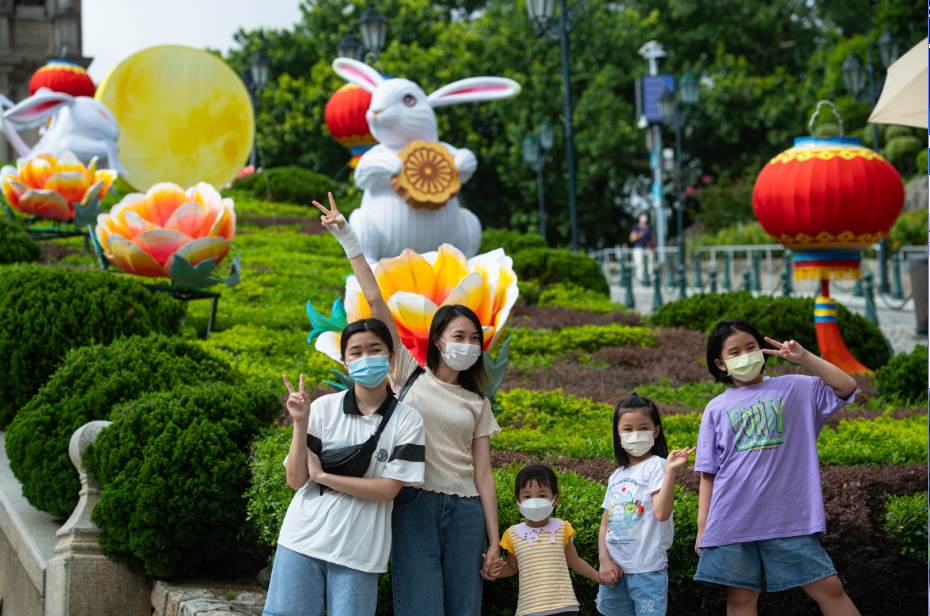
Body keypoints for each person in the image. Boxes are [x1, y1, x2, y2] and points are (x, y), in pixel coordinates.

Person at [314, 193, 505, 616]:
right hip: (414, 505)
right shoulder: (407, 371)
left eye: (475, 339)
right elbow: (377, 302)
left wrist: (495, 540)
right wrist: (347, 238)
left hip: (467, 513)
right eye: (459, 337)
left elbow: (485, 473)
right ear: (437, 340)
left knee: (464, 609)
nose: (469, 345)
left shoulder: (478, 402)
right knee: (420, 607)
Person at [693, 318, 860, 616]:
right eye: (735, 352)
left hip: (787, 515)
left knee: (830, 588)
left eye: (751, 347)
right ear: (720, 364)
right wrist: (703, 528)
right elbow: (709, 472)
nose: (745, 355)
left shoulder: (796, 387)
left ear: (762, 350)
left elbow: (846, 386)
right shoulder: (715, 408)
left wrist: (804, 358)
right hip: (730, 518)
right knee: (741, 600)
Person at [263, 318, 426, 616]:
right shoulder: (324, 408)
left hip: (359, 553)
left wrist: (324, 476)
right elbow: (296, 480)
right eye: (356, 352)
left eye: (375, 349)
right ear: (345, 361)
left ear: (391, 357)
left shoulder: (408, 420)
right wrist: (300, 423)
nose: (366, 358)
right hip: (302, 541)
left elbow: (388, 490)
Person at [596, 394, 695, 616]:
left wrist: (670, 471)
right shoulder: (615, 475)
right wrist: (604, 560)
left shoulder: (657, 466)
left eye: (643, 428)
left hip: (647, 570)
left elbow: (661, 513)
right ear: (618, 434)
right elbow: (605, 525)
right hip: (614, 569)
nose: (635, 434)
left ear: (656, 431)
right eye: (628, 429)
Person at [496, 465, 608, 616]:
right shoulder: (512, 534)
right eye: (527, 496)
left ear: (555, 498)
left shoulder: (562, 528)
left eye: (542, 495)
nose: (534, 501)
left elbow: (576, 562)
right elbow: (511, 567)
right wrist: (490, 571)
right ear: (518, 500)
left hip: (564, 607)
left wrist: (601, 578)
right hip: (529, 610)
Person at [629, 212, 653, 286]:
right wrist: (640, 235)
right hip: (639, 248)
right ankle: (640, 281)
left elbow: (653, 238)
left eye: (646, 216)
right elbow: (631, 239)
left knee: (650, 265)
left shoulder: (650, 227)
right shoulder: (636, 227)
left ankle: (651, 281)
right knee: (639, 265)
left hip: (648, 249)